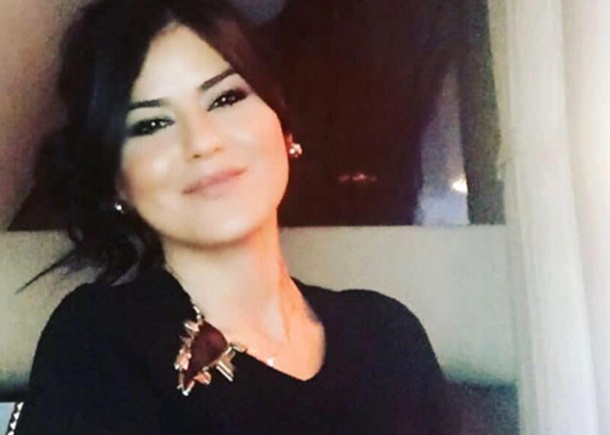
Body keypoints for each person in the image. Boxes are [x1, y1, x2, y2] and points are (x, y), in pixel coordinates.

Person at [16, 0, 455, 433]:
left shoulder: (387, 336)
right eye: (152, 124)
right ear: (117, 182)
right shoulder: (99, 342)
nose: (202, 142)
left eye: (226, 98)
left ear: (284, 126)